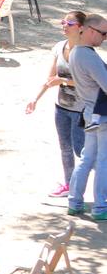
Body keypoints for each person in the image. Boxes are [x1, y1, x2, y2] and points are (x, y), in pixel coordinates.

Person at [26, 12, 87, 199]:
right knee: (65, 149)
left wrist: (63, 81)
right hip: (61, 107)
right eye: (63, 21)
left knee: (82, 151)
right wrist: (35, 99)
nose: (65, 25)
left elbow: (88, 81)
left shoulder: (86, 52)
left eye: (70, 22)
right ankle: (69, 185)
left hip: (81, 110)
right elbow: (50, 78)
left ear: (81, 27)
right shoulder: (59, 47)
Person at [66, 14, 107, 221]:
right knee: (103, 161)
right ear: (91, 31)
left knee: (87, 159)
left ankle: (74, 202)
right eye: (103, 33)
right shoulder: (88, 56)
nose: (105, 38)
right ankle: (101, 206)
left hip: (90, 114)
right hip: (101, 116)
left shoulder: (76, 52)